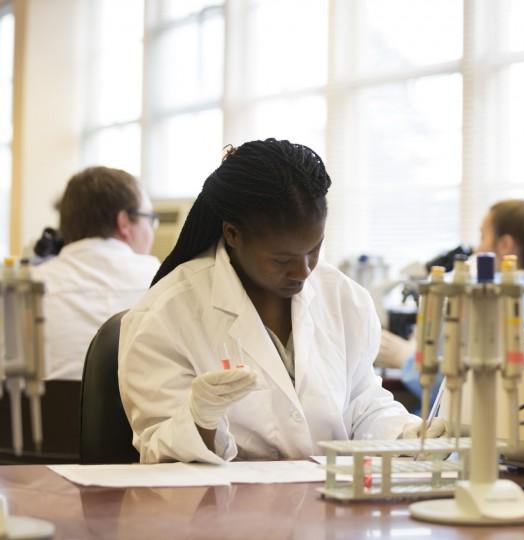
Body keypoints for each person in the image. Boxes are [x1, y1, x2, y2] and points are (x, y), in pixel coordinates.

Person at [118, 139, 446, 464]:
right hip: (225, 510)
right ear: (233, 234)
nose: (303, 271)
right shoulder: (164, 314)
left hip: (327, 504)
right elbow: (156, 453)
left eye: (313, 249)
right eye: (282, 260)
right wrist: (200, 419)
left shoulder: (344, 298)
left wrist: (404, 435)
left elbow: (361, 402)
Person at [378, 198, 524, 406]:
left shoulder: (480, 296)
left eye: (482, 236)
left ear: (505, 244)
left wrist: (406, 358)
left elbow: (445, 382)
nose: (476, 249)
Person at [32, 166, 160, 380]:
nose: (151, 231)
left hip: (42, 412)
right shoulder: (162, 280)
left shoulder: (23, 291)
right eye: (150, 218)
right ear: (124, 222)